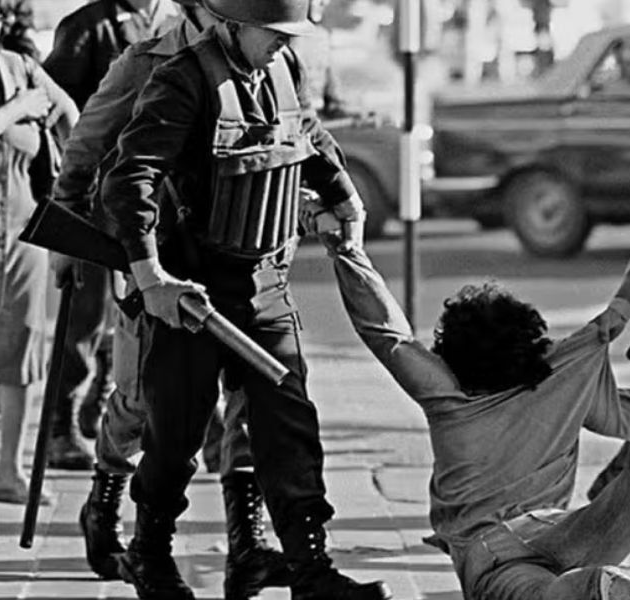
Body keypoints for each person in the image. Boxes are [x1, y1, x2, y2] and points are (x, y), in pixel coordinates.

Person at [98, 0, 390, 598]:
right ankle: (148, 555)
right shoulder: (180, 79)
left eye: (290, 35)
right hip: (194, 296)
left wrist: (345, 197)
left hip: (265, 286)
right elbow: (131, 176)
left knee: (290, 427)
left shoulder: (281, 70)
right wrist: (151, 277)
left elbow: (306, 132)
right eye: (273, 33)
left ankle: (310, 571)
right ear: (232, 24)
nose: (284, 44)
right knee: (175, 437)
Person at [307, 207, 630, 599]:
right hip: (562, 529)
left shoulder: (449, 396)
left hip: (491, 550)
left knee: (533, 590)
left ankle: (597, 587)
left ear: (451, 356)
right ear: (531, 342)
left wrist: (348, 251)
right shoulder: (562, 379)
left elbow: (388, 335)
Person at [51, 2, 292, 597]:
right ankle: (105, 496)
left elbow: (291, 132)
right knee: (139, 400)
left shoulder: (266, 53)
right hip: (156, 262)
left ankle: (248, 544)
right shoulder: (145, 62)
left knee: (247, 401)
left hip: (240, 262)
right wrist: (64, 234)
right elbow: (88, 148)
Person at [41, 0, 181, 471]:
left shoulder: (180, 21)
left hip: (158, 200)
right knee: (83, 319)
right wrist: (68, 206)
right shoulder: (87, 27)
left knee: (135, 321)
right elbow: (61, 112)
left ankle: (102, 413)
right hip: (99, 198)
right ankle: (62, 424)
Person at [0, 0, 78, 503]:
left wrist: (75, 186)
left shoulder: (21, 67)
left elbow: (70, 116)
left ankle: (9, 470)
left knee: (23, 348)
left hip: (24, 230)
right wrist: (18, 112)